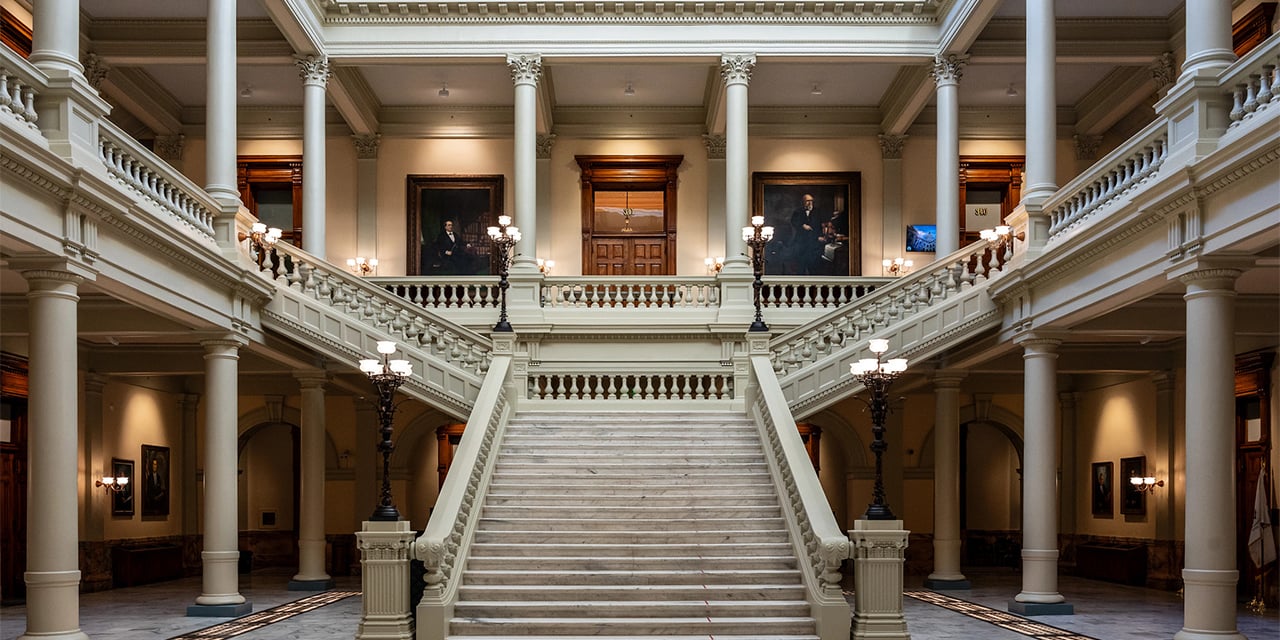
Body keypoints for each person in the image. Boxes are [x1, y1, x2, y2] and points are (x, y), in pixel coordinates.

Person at [789, 193, 824, 275]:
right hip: (801, 242)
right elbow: (793, 222)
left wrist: (820, 236)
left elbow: (820, 225)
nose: (810, 202)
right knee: (801, 266)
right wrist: (802, 225)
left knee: (813, 266)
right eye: (808, 201)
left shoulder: (817, 211)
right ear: (803, 202)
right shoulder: (798, 211)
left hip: (814, 242)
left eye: (811, 201)